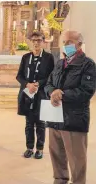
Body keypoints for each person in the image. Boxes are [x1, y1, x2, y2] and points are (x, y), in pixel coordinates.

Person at [45, 31, 95, 184]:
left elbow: (86, 91)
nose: (65, 45)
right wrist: (52, 92)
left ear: (79, 44)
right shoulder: (60, 63)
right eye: (64, 42)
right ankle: (60, 180)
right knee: (56, 154)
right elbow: (48, 83)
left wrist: (62, 94)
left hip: (74, 118)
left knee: (76, 159)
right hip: (55, 117)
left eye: (69, 42)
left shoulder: (88, 64)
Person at [16, 31, 55, 159]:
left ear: (43, 42)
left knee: (40, 123)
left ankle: (39, 148)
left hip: (41, 93)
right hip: (27, 93)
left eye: (39, 40)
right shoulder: (26, 57)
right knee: (28, 123)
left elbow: (52, 76)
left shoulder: (49, 57)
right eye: (34, 40)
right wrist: (28, 85)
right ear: (30, 42)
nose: (36, 43)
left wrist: (38, 84)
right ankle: (29, 147)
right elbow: (19, 76)